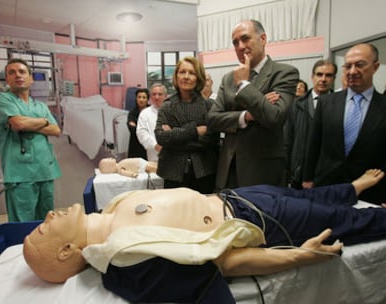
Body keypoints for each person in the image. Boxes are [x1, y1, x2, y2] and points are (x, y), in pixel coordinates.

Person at [23, 169, 386, 303]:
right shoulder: (127, 260)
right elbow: (222, 264)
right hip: (261, 221)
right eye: (44, 227)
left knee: (310, 195)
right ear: (66, 251)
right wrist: (299, 256)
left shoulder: (113, 208)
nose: (50, 215)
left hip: (237, 195)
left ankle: (351, 188)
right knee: (346, 222)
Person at [207, 19, 299, 190]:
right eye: (235, 42)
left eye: (245, 39)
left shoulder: (284, 73)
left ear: (263, 39)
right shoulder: (228, 78)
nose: (240, 46)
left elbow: (274, 116)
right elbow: (212, 119)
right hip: (228, 170)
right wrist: (247, 116)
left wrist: (243, 84)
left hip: (262, 172)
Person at [303, 43, 386, 205]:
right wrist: (307, 178)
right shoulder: (326, 102)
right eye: (348, 66)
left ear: (375, 67)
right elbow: (314, 143)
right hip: (326, 186)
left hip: (370, 191)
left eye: (360, 65)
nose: (353, 71)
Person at [0, 58, 61, 222]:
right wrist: (44, 122)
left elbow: (56, 130)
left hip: (44, 170)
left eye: (22, 72)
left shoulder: (40, 106)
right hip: (20, 174)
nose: (18, 75)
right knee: (23, 224)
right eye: (12, 72)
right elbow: (19, 123)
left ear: (31, 78)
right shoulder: (2, 99)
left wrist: (30, 123)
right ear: (7, 79)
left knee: (47, 222)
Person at [155, 57, 219, 194]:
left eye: (191, 73)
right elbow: (161, 138)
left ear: (199, 77)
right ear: (176, 76)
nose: (186, 77)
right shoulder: (167, 106)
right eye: (182, 72)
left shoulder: (209, 106)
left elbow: (210, 140)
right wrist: (195, 131)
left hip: (204, 172)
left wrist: (174, 135)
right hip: (173, 173)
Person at [285, 59, 337, 188]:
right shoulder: (296, 105)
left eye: (328, 75)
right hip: (298, 174)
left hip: (328, 176)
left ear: (334, 78)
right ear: (312, 77)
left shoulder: (340, 106)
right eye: (319, 74)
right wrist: (287, 171)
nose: (323, 79)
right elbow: (287, 140)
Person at [136, 83, 167, 162]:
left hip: (173, 156)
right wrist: (155, 145)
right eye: (154, 94)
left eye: (160, 94)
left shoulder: (173, 111)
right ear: (150, 97)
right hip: (153, 157)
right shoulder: (145, 113)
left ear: (165, 96)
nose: (156, 97)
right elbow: (141, 133)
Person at [127, 88, 149, 159]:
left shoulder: (152, 111)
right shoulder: (132, 113)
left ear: (147, 99)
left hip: (149, 145)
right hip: (135, 146)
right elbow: (132, 130)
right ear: (136, 99)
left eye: (144, 97)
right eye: (139, 97)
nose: (141, 99)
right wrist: (145, 129)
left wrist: (137, 127)